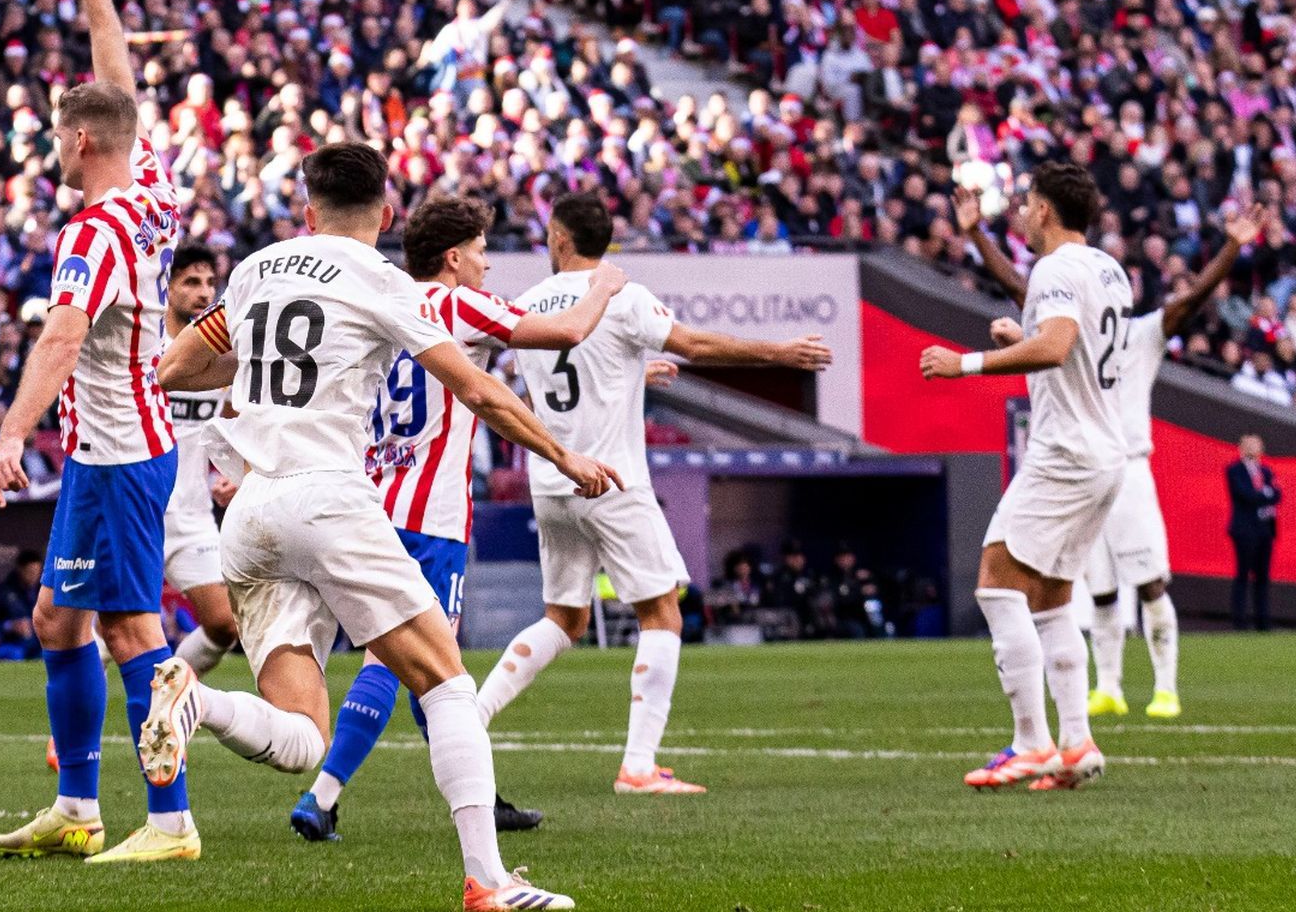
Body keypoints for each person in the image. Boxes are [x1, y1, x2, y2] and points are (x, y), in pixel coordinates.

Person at [149, 141, 624, 911]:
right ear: (388, 213)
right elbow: (476, 389)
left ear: (307, 212)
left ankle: (197, 701)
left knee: (301, 734)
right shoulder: (381, 278)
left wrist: (250, 376)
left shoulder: (253, 270)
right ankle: (488, 882)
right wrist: (563, 454)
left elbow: (174, 369)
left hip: (251, 512)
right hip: (329, 497)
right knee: (445, 680)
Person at [292, 194, 633, 840]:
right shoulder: (449, 304)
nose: (487, 265)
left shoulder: (382, 301)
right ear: (453, 257)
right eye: (480, 252)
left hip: (372, 503)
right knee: (395, 661)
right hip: (432, 518)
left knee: (433, 667)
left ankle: (483, 793)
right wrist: (604, 285)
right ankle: (321, 795)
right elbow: (562, 333)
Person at [473, 192, 832, 796]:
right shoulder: (622, 295)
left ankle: (470, 718)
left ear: (559, 239)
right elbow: (696, 346)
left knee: (564, 617)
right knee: (661, 612)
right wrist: (779, 351)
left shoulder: (528, 305)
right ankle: (639, 766)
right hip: (612, 480)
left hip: (552, 481)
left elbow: (548, 392)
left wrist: (628, 375)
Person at [0, 0, 195, 865]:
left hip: (115, 451)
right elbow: (120, 86)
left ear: (76, 146)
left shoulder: (94, 232)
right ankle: (77, 807)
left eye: (58, 135)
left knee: (127, 627)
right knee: (56, 618)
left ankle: (171, 821)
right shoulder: (149, 190)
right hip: (117, 446)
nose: (55, 144)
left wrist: (11, 432)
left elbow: (62, 336)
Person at [961, 190, 1268, 718]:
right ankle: (1110, 687)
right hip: (1092, 465)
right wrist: (975, 236)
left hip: (1126, 468)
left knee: (1148, 582)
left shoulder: (1142, 333)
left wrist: (1230, 249)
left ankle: (1166, 687)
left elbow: (1190, 300)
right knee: (1099, 591)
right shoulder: (1074, 329)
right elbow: (1018, 288)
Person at [920, 162, 1131, 790]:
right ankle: (1076, 743)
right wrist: (1026, 333)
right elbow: (1073, 346)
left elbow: (1059, 345)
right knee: (1051, 597)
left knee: (996, 580)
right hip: (1105, 453)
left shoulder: (1056, 268)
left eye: (1027, 202)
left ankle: (1030, 742)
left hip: (1065, 453)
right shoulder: (1106, 268)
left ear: (1044, 210)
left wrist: (968, 362)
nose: (1021, 211)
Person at [158, 243, 241, 676]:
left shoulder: (221, 356)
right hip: (139, 506)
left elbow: (233, 421)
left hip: (190, 515)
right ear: (166, 286)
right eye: (191, 282)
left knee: (224, 624)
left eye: (210, 283)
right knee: (114, 632)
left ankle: (166, 698)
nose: (204, 293)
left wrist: (236, 472)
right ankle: (68, 733)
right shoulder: (144, 346)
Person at [1227, 435, 1281, 632]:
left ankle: (1263, 622)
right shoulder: (1235, 470)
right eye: (1248, 444)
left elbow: (1277, 494)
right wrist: (1264, 495)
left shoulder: (1266, 470)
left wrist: (1264, 495)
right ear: (1240, 448)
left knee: (1263, 577)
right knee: (1242, 575)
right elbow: (1245, 495)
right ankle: (1240, 622)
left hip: (1265, 529)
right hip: (1244, 530)